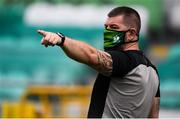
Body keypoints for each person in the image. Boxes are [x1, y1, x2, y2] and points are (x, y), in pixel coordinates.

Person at [37, 6, 160, 118]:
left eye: (114, 28)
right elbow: (154, 116)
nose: (107, 32)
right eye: (106, 27)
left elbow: (91, 55)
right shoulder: (153, 72)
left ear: (132, 34)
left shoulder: (124, 60)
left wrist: (61, 40)